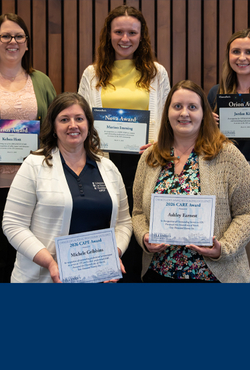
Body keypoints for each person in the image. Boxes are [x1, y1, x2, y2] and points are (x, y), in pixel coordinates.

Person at [78, 5, 170, 281]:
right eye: (118, 32)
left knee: (139, 223)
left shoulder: (157, 73)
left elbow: (167, 119)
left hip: (145, 161)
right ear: (109, 35)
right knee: (107, 223)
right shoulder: (92, 74)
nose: (125, 38)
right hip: (102, 163)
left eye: (132, 32)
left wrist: (156, 144)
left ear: (142, 36)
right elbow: (82, 118)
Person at [2, 92, 132, 283]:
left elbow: (124, 223)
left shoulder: (108, 168)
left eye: (79, 118)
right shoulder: (34, 165)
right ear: (54, 127)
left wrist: (114, 253)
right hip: (44, 279)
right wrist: (50, 263)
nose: (73, 125)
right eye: (64, 119)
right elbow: (13, 224)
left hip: (98, 278)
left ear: (88, 124)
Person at [132, 80, 250, 283]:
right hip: (159, 274)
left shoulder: (228, 155)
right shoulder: (150, 156)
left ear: (204, 113)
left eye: (192, 107)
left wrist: (224, 247)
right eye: (177, 106)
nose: (184, 113)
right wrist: (144, 237)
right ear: (167, 111)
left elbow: (246, 212)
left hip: (216, 276)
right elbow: (138, 212)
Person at [0, 13, 56, 282]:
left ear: (26, 43)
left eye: (19, 36)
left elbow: (55, 129)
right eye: (6, 36)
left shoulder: (41, 81)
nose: (13, 41)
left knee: (27, 258)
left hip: (33, 185)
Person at [207, 28, 250, 162]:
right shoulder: (215, 93)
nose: (242, 58)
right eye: (236, 51)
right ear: (228, 55)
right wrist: (206, 125)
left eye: (248, 52)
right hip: (224, 165)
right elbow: (203, 140)